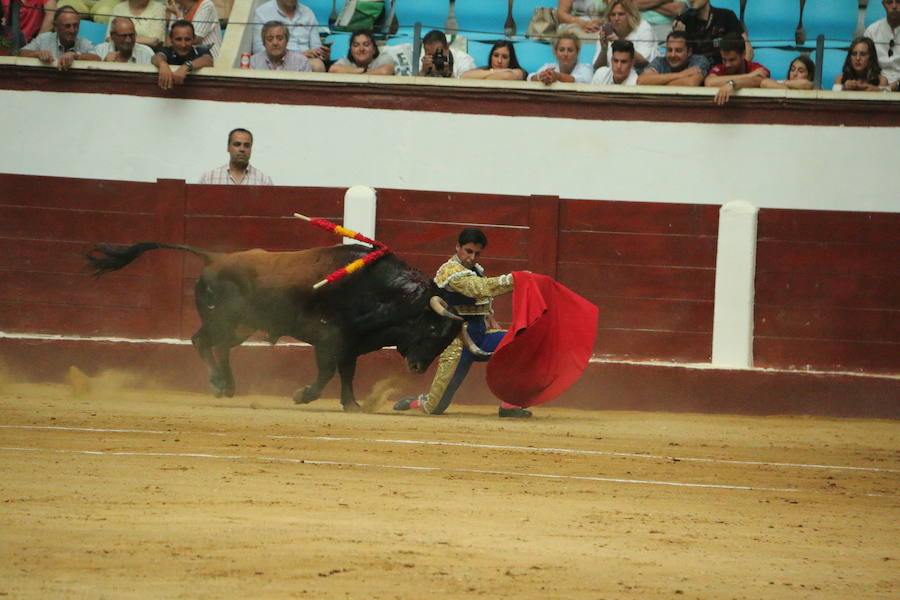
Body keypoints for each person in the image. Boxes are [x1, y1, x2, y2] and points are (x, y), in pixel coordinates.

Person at [393, 228, 532, 419]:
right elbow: (478, 288)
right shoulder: (450, 271)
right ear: (457, 247)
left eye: (477, 253)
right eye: (468, 251)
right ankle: (417, 401)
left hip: (481, 335)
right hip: (458, 342)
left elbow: (482, 299)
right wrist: (513, 279)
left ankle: (510, 403)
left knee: (523, 343)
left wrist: (490, 317)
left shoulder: (476, 270)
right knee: (435, 407)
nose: (472, 257)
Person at [250, 0, 328, 72]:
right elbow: (259, 50)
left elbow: (316, 47)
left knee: (318, 65)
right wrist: (299, 55)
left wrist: (321, 53)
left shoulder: (308, 13)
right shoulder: (262, 12)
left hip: (306, 61)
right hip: (276, 57)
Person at [673, 0, 752, 65]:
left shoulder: (726, 16)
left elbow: (747, 49)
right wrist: (680, 36)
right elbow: (678, 59)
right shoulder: (683, 20)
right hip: (697, 71)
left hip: (724, 70)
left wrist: (740, 73)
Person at [19, 5, 100, 70]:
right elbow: (21, 53)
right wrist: (38, 54)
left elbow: (97, 59)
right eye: (67, 26)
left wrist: (76, 55)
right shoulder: (43, 39)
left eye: (76, 25)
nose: (72, 30)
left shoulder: (84, 43)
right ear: (56, 26)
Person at [592, 0, 658, 72]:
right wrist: (604, 50)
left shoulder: (644, 28)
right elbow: (598, 68)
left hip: (641, 73)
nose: (616, 18)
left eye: (621, 14)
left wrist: (621, 43)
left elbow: (643, 62)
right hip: (613, 74)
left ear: (631, 15)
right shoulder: (606, 31)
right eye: (613, 15)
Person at [704, 32, 769, 105]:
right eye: (724, 60)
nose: (727, 64)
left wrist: (732, 84)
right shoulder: (720, 68)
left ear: (743, 54)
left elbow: (759, 80)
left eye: (732, 60)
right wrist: (748, 76)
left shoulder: (756, 67)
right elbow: (709, 82)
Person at [151, 19, 213, 90]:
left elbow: (208, 60)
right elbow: (156, 57)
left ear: (194, 38)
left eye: (187, 39)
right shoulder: (167, 50)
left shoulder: (200, 50)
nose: (183, 45)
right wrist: (162, 64)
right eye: (178, 39)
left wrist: (186, 66)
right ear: (171, 39)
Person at [199, 128, 274, 185]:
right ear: (228, 147)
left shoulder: (264, 181)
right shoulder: (209, 179)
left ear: (251, 149)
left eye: (246, 145)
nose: (242, 149)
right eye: (237, 144)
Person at [637, 29, 709, 86]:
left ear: (689, 52)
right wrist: (681, 74)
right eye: (669, 50)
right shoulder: (660, 61)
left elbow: (691, 83)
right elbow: (641, 81)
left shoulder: (699, 60)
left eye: (678, 50)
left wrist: (656, 82)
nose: (672, 55)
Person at [529, 32, 593, 84]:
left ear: (577, 52)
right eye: (561, 50)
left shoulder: (586, 68)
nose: (565, 54)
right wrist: (541, 77)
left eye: (570, 50)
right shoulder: (548, 66)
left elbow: (583, 81)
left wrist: (558, 76)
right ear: (555, 52)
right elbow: (530, 78)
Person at [864, 0, 900, 91]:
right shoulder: (872, 31)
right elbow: (865, 64)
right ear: (884, 4)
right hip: (877, 84)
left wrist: (897, 84)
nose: (894, 6)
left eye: (898, 2)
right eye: (890, 2)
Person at [328, 29, 395, 75]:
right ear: (351, 51)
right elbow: (333, 69)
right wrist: (363, 70)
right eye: (356, 45)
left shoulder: (383, 58)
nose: (361, 49)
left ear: (374, 50)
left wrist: (353, 74)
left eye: (366, 44)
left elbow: (384, 71)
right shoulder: (346, 61)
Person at [460, 40, 526, 80]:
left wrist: (480, 76)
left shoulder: (519, 72)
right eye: (496, 56)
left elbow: (506, 76)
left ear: (511, 59)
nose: (499, 61)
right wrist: (494, 71)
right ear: (491, 56)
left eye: (504, 57)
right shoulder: (486, 68)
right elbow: (464, 76)